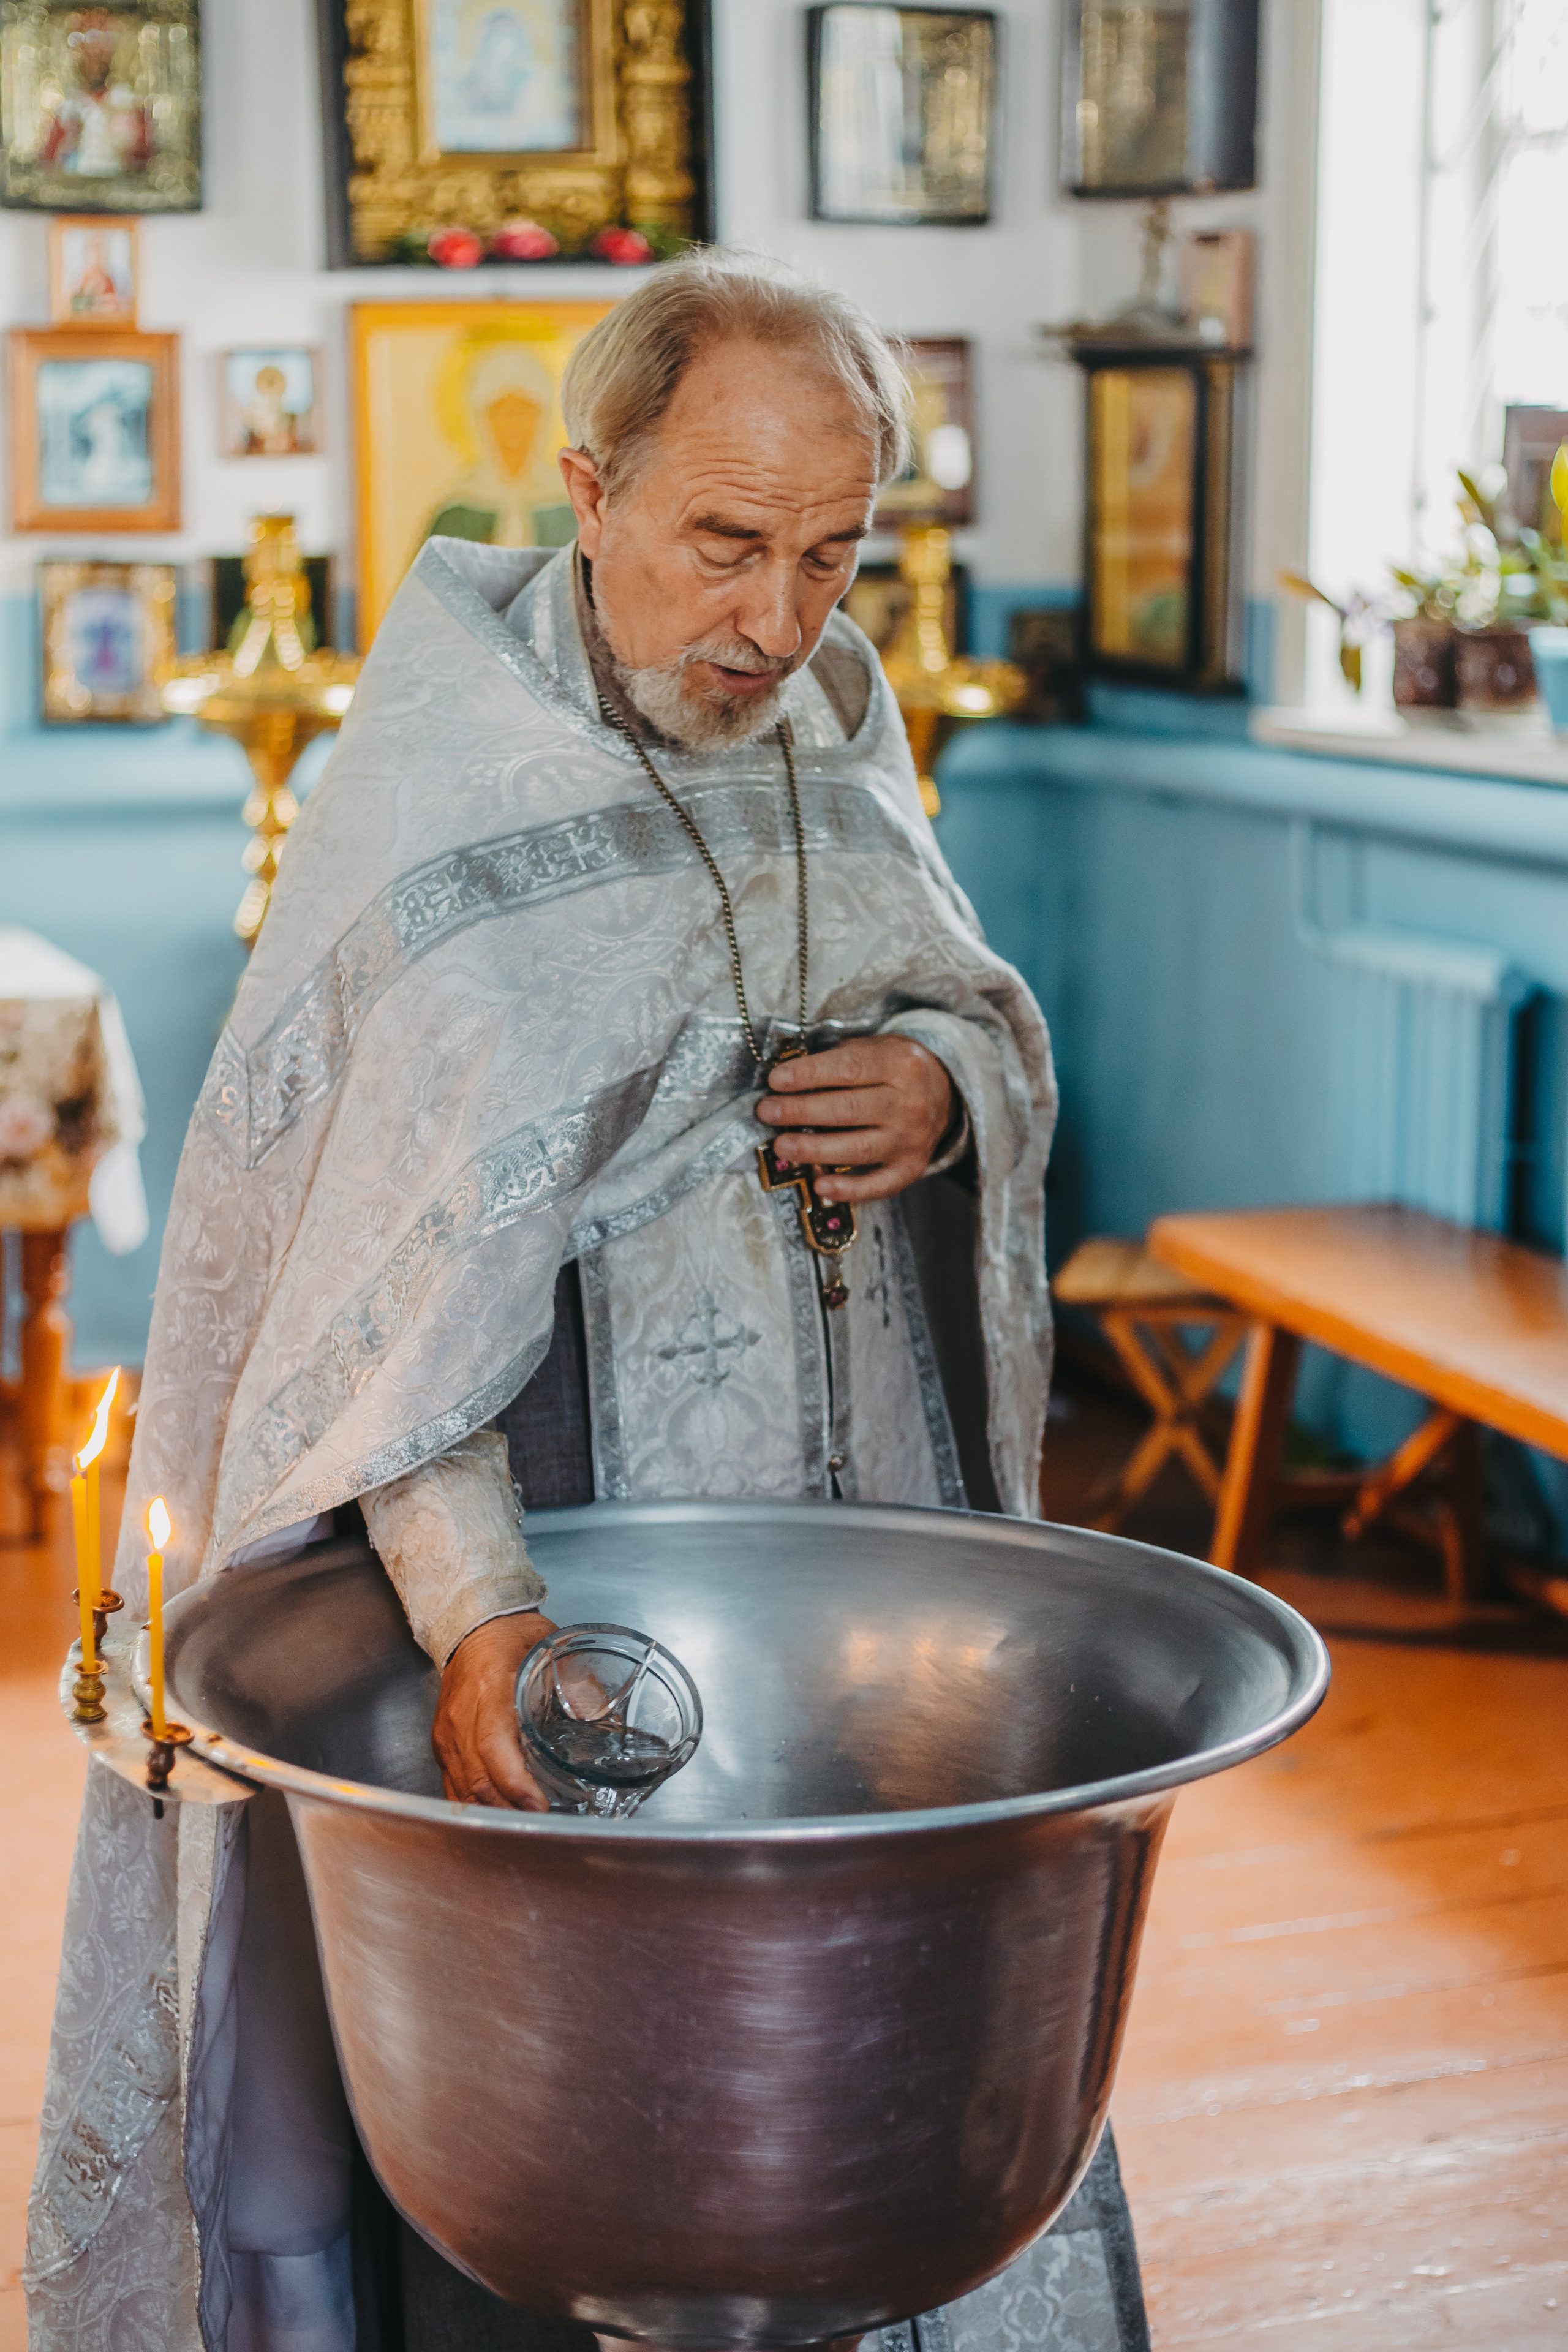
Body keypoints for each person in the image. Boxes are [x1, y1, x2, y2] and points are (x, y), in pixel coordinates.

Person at [28, 251, 1147, 2352]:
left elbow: (967, 998)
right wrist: (479, 1614)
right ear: (591, 488)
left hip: (846, 1556)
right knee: (547, 2122)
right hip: (542, 1536)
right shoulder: (443, 781)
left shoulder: (837, 716)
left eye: (833, 554)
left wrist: (944, 1086)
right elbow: (378, 1299)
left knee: (850, 2088)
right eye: (727, 543)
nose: (780, 622)